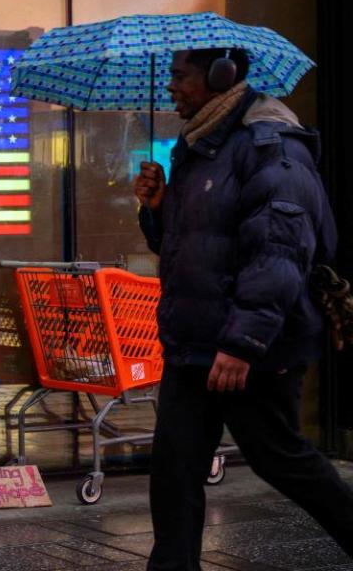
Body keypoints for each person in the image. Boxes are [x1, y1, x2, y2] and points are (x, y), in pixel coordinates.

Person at [133, 48, 353, 569]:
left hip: (253, 346)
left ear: (221, 75)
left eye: (180, 76)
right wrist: (157, 208)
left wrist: (242, 342)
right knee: (175, 468)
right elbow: (188, 247)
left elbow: (280, 252)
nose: (171, 88)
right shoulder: (201, 147)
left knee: (281, 459)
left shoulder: (270, 147)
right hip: (195, 341)